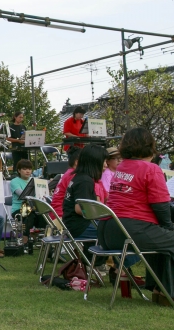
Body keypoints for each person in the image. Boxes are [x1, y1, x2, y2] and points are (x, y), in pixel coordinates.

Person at [99, 128, 174, 300]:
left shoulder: (122, 166)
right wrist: (168, 226)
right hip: (131, 229)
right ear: (150, 145)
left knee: (163, 240)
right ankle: (164, 292)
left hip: (109, 230)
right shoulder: (151, 169)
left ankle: (160, 290)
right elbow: (161, 205)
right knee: (168, 236)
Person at [62, 144, 106, 239]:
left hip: (74, 225)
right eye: (104, 161)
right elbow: (79, 209)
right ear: (95, 162)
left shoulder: (80, 177)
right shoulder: (85, 181)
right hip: (80, 227)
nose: (106, 165)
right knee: (117, 232)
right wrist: (105, 213)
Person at [9, 159, 46, 243]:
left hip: (33, 208)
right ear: (19, 170)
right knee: (30, 215)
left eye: (29, 169)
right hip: (19, 209)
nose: (27, 171)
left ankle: (46, 240)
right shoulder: (14, 182)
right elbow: (21, 194)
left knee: (44, 215)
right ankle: (25, 239)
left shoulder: (35, 180)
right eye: (25, 169)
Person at [51, 147, 81, 218]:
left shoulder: (69, 173)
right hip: (61, 215)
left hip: (57, 213)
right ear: (77, 162)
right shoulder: (74, 175)